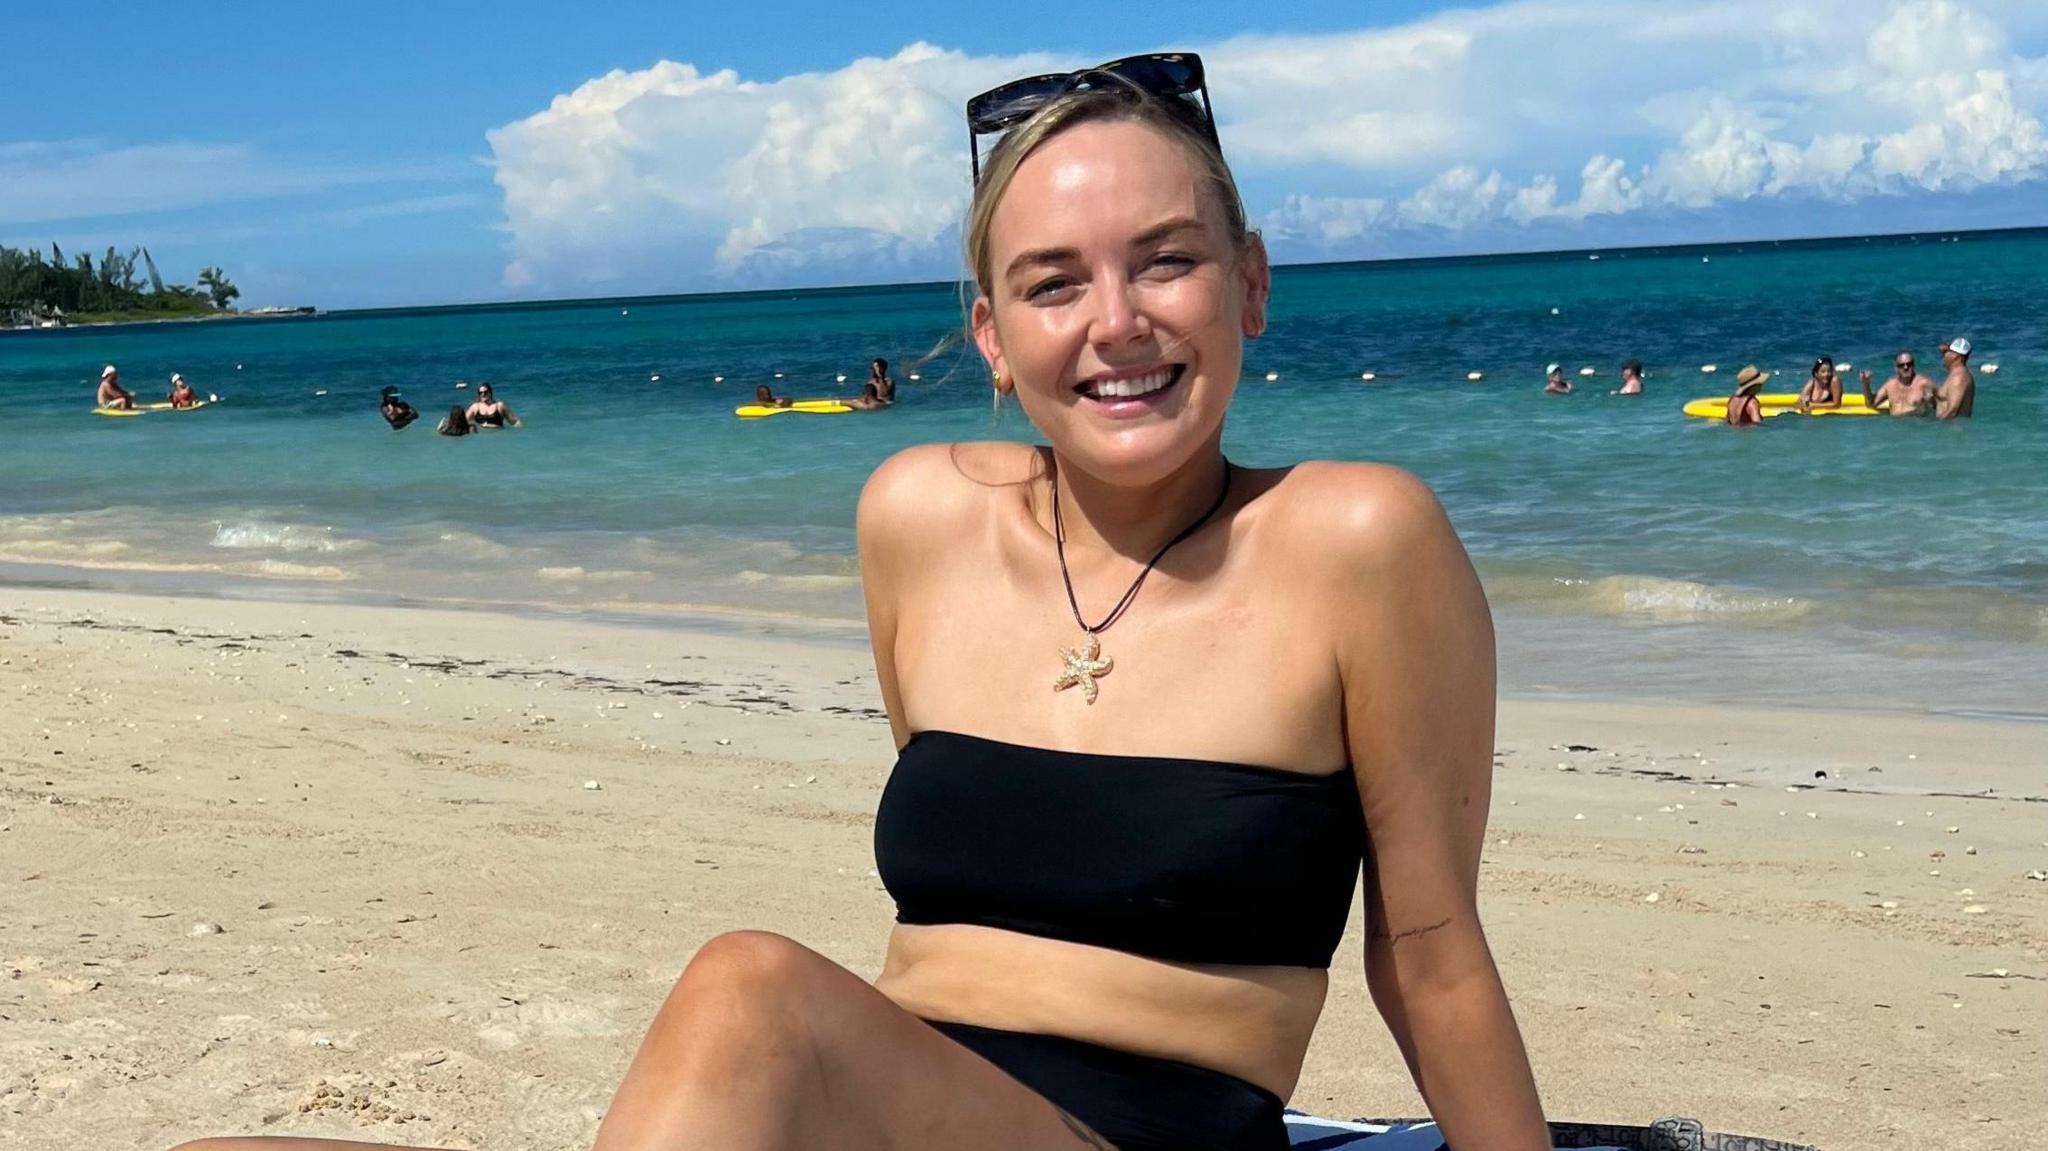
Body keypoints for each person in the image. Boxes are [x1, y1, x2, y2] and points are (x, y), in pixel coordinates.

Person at [168, 51, 1549, 1151]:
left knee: (752, 988)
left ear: (1249, 282)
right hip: (868, 1106)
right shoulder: (918, 516)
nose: (1116, 319)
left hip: (1142, 1124)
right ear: (995, 340)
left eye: (1167, 258)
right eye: (1053, 283)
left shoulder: (1358, 539)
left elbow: (1428, 951)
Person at [1859, 350, 1937, 417]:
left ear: (1913, 365)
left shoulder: (1924, 384)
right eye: (1901, 365)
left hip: (1917, 426)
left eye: (1909, 364)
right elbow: (1871, 404)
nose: (1905, 367)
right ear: (1896, 367)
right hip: (1895, 428)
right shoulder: (1890, 385)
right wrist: (1866, 384)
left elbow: (1944, 400)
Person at [1935, 337, 1974, 420]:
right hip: (1950, 429)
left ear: (1955, 357)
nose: (1944, 355)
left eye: (1947, 352)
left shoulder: (1958, 378)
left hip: (1951, 430)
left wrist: (1934, 426)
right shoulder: (1958, 374)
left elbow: (1952, 411)